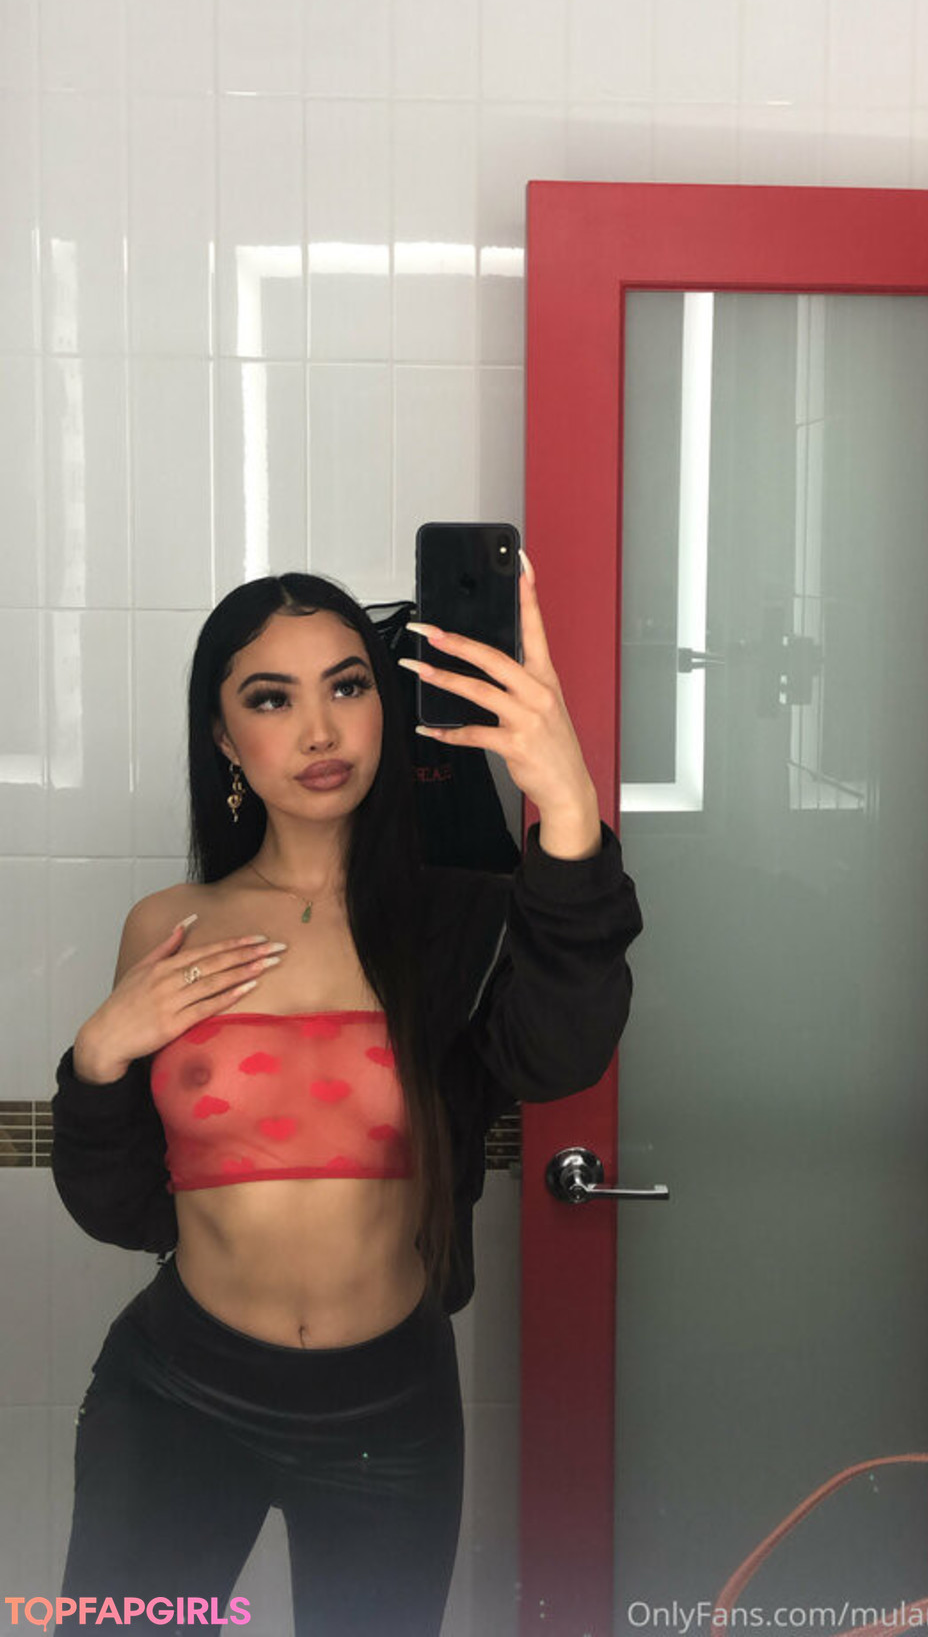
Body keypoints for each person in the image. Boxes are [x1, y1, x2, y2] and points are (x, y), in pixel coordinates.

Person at [50, 557, 643, 1637]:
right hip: (177, 1395)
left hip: (389, 1412)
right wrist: (94, 1058)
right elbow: (121, 1206)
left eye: (349, 684)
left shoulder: (458, 922)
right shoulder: (168, 925)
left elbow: (561, 1055)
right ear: (225, 738)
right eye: (271, 698)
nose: (320, 730)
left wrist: (567, 807)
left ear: (384, 705)